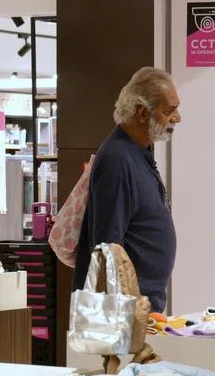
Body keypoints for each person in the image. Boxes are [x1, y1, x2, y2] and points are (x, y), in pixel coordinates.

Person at [73, 67, 182, 313]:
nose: (177, 118)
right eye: (169, 111)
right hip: (124, 316)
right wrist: (121, 315)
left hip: (139, 310)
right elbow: (108, 247)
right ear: (143, 113)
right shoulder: (118, 160)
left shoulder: (136, 153)